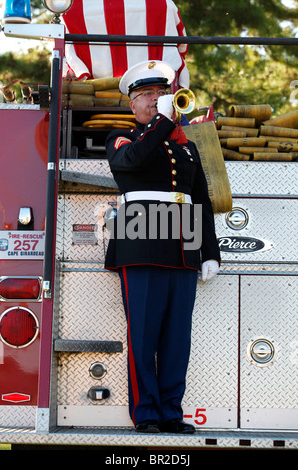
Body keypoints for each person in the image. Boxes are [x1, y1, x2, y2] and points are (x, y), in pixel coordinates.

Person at [104, 60, 221, 434]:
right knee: (144, 333)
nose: (157, 100)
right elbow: (132, 161)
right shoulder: (122, 137)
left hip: (184, 244)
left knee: (176, 338)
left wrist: (210, 252)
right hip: (142, 239)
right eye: (147, 95)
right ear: (132, 104)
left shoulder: (185, 145)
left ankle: (171, 411)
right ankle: (147, 414)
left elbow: (200, 198)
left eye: (161, 93)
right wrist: (163, 123)